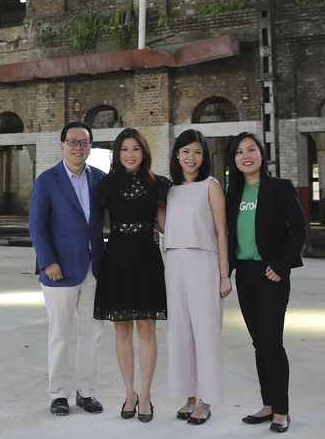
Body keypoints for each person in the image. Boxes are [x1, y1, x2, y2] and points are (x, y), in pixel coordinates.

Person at [225, 132, 306, 434]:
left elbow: (298, 229)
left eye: (251, 149)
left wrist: (282, 266)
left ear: (261, 154)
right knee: (259, 344)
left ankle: (282, 411)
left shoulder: (279, 188)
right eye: (239, 152)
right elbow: (228, 235)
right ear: (233, 159)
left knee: (272, 343)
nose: (246, 155)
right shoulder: (232, 193)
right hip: (245, 274)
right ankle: (268, 404)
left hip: (271, 274)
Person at [29, 121, 107, 417]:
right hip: (58, 270)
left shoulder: (100, 179)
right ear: (62, 145)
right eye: (73, 142)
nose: (78, 147)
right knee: (60, 334)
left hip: (94, 270)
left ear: (90, 147)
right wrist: (48, 261)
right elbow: (37, 224)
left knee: (92, 334)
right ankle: (59, 394)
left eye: (84, 142)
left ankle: (86, 392)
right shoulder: (47, 180)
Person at [93, 128, 171, 423]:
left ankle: (147, 395)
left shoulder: (158, 185)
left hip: (147, 259)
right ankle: (129, 392)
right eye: (124, 149)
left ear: (144, 152)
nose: (130, 154)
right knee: (122, 328)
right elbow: (95, 224)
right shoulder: (106, 185)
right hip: (117, 259)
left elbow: (165, 224)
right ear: (117, 153)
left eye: (136, 148)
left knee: (147, 329)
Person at [163, 128, 230, 425]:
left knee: (205, 332)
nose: (192, 158)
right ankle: (188, 394)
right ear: (177, 154)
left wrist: (224, 275)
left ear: (204, 157)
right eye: (186, 151)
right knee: (180, 332)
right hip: (174, 262)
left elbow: (221, 231)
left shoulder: (210, 186)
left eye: (198, 152)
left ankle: (206, 399)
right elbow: (166, 227)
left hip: (203, 261)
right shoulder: (169, 189)